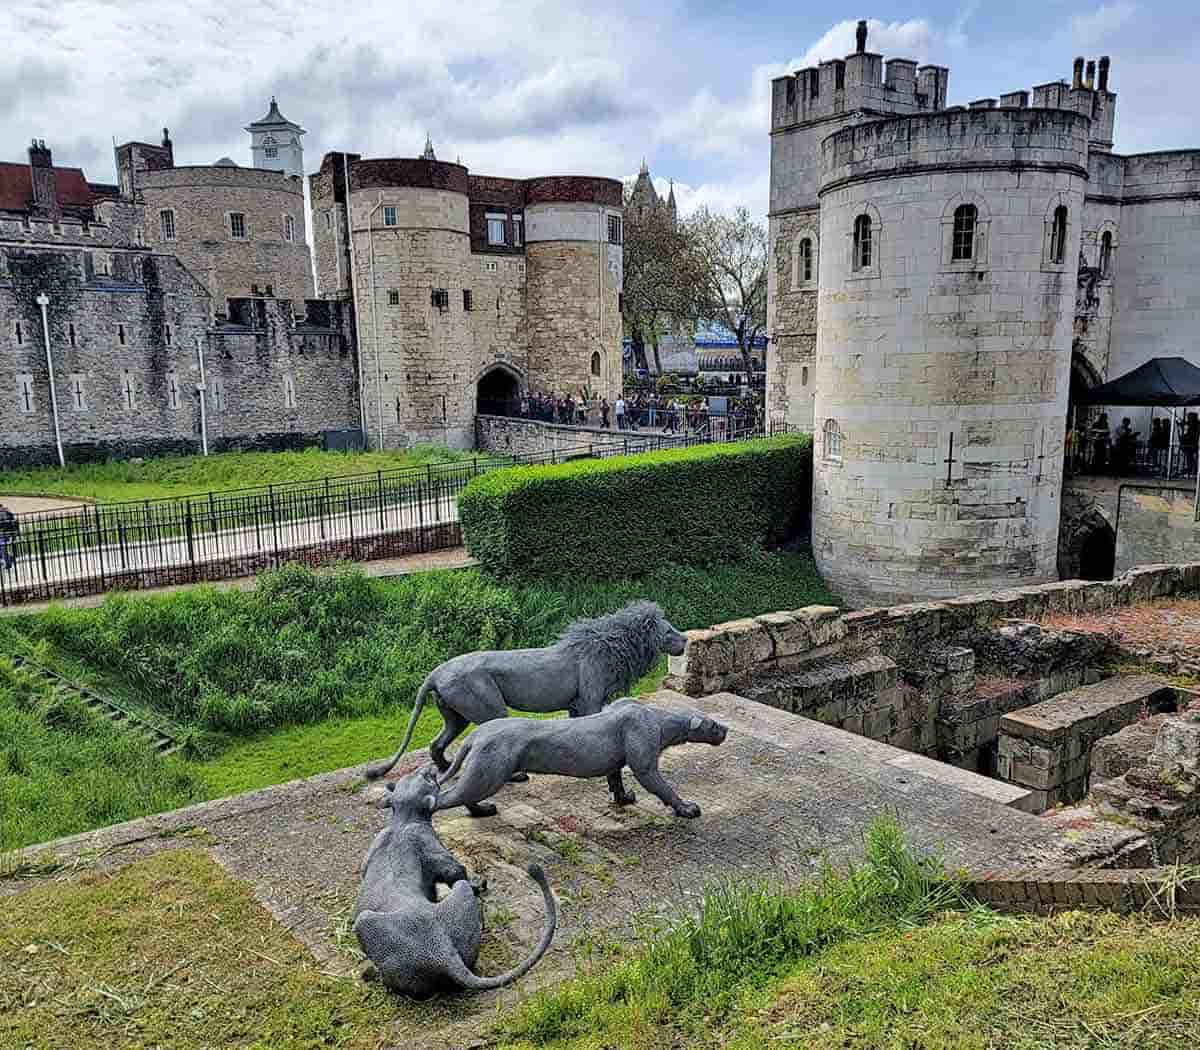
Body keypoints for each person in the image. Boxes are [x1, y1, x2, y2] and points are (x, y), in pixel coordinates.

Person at [0, 502, 19, 571]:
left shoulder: (3, 513)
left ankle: (8, 562)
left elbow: (4, 525)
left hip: (5, 534)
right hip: (8, 533)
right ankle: (9, 559)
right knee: (2, 547)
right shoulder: (7, 512)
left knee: (2, 546)